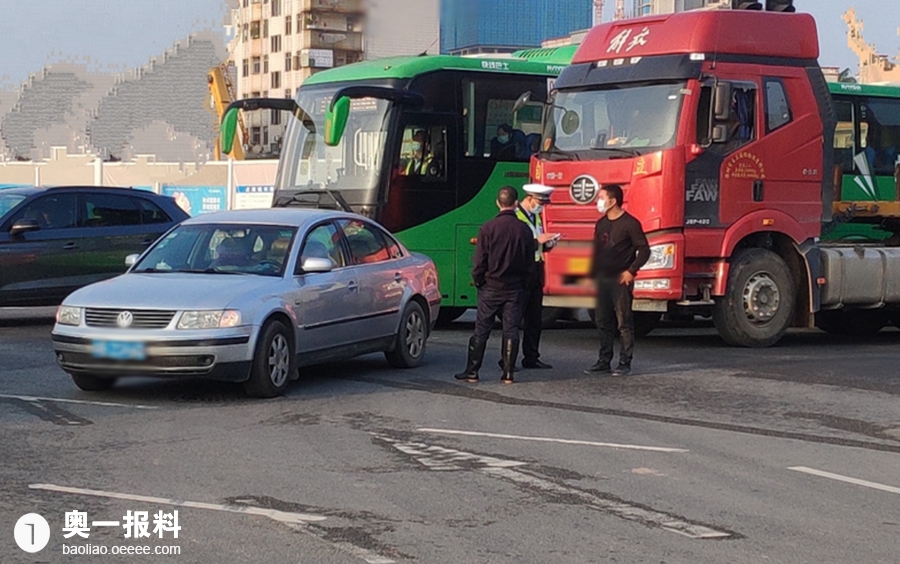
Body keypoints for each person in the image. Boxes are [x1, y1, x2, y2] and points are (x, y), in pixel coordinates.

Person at [455, 186, 536, 384]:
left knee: (481, 329)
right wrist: (524, 284)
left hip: (491, 286)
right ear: (516, 204)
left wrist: (479, 281)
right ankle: (508, 374)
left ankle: (472, 371)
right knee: (511, 330)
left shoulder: (488, 228)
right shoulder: (524, 230)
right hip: (514, 288)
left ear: (498, 203)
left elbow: (480, 260)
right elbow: (529, 263)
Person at [584, 184, 650, 377]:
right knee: (602, 320)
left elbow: (644, 250)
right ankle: (604, 360)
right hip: (602, 279)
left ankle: (624, 362)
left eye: (601, 197)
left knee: (624, 321)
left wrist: (631, 270)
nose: (599, 201)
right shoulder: (601, 223)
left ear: (612, 201)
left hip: (620, 279)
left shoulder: (630, 223)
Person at [510, 183, 559, 370]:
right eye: (540, 202)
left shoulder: (536, 217)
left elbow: (537, 245)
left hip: (536, 272)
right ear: (529, 198)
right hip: (521, 272)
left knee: (534, 319)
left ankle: (531, 357)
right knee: (514, 318)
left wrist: (548, 244)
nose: (542, 206)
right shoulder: (516, 216)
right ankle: (508, 359)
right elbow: (514, 245)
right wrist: (536, 241)